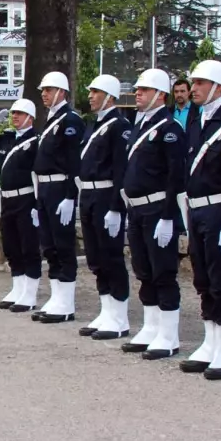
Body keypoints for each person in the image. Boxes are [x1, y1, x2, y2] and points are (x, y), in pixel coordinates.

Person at [176, 61, 221, 380]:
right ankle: (210, 340)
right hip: (198, 210)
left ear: (218, 87)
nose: (195, 88)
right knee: (202, 279)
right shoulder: (196, 121)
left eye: (202, 83)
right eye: (194, 82)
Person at [120, 70, 186, 359]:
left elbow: (176, 176)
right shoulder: (139, 124)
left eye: (145, 90)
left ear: (160, 95)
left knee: (163, 271)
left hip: (158, 207)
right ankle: (151, 325)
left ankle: (169, 334)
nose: (138, 93)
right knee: (143, 269)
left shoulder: (169, 128)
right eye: (138, 89)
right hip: (137, 207)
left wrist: (169, 216)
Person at [65, 75, 133, 334]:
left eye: (96, 92)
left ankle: (119, 317)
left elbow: (120, 169)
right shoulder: (94, 125)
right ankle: (107, 311)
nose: (91, 96)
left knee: (111, 256)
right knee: (95, 257)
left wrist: (116, 207)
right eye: (91, 91)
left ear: (110, 96)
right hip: (90, 196)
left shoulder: (119, 126)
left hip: (106, 196)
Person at [26, 73, 85, 321]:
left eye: (48, 90)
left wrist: (71, 195)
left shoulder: (70, 120)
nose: (43, 94)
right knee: (49, 246)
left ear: (62, 92)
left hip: (61, 187)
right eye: (43, 90)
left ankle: (66, 302)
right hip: (46, 188)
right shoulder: (51, 119)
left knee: (62, 245)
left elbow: (73, 161)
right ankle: (56, 296)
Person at [0, 99, 41, 310]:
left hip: (26, 198)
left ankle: (30, 293)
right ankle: (17, 287)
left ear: (30, 118)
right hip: (6, 199)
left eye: (20, 114)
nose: (15, 117)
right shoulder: (7, 139)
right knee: (11, 244)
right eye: (13, 113)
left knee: (28, 245)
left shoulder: (35, 141)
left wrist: (37, 205)